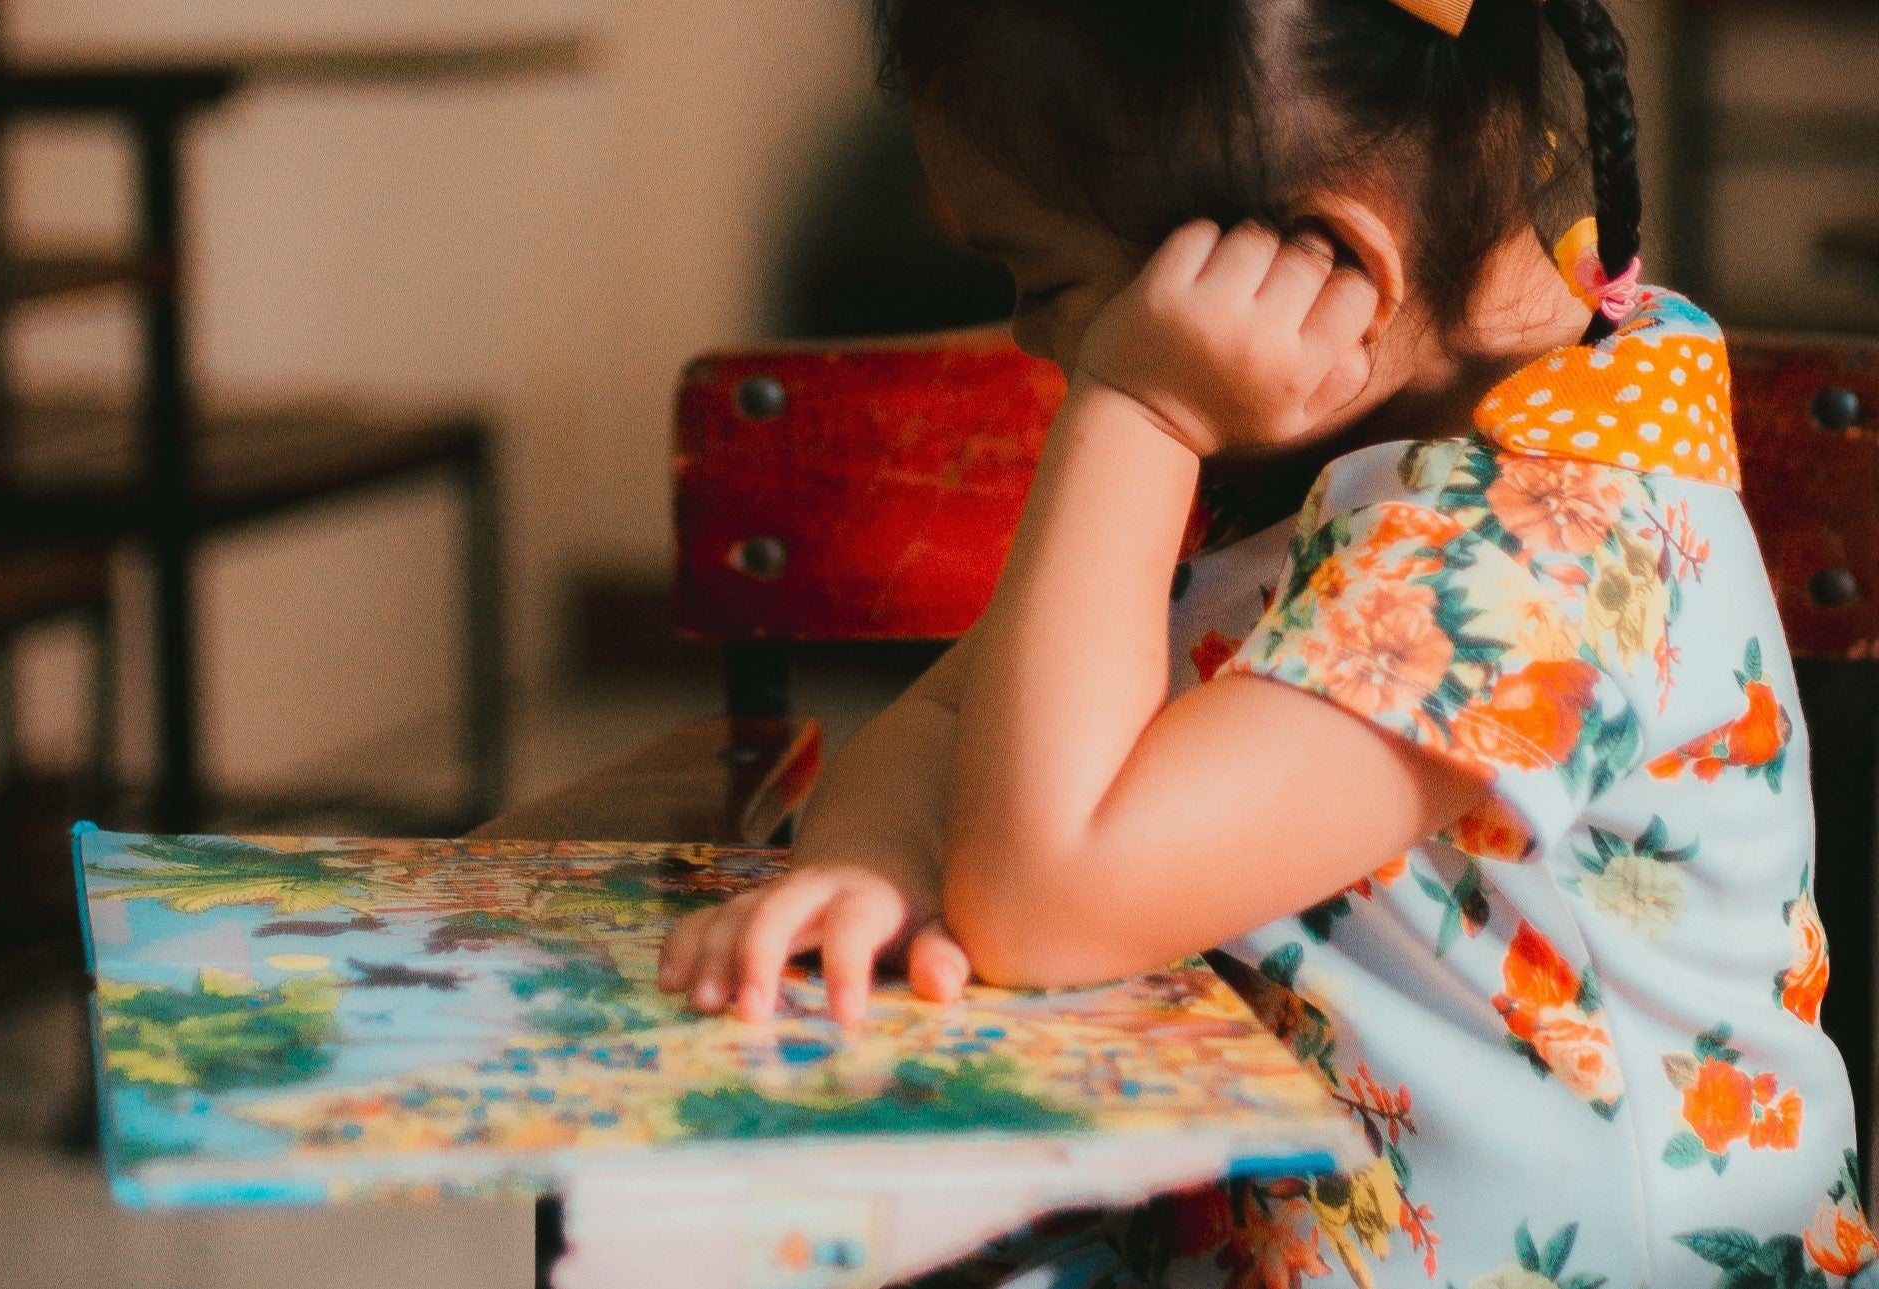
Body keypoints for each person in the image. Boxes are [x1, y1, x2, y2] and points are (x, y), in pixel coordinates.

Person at [659, 0, 1874, 1282]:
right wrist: (877, 859)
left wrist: (1137, 404)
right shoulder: (1325, 454)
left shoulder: (1538, 552)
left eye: (1045, 283)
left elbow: (1043, 899)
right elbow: (949, 715)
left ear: (1321, 265)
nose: (1024, 338)